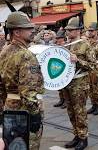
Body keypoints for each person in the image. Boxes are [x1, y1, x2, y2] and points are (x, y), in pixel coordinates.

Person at [0, 11, 45, 150]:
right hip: (25, 112)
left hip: (9, 108)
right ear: (17, 32)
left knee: (14, 145)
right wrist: (35, 115)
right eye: (28, 28)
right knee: (29, 145)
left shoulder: (4, 51)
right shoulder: (26, 55)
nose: (32, 31)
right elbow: (28, 92)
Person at [63, 17, 96, 150]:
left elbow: (93, 65)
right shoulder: (67, 44)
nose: (68, 32)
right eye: (67, 30)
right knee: (71, 111)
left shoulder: (85, 44)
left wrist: (78, 61)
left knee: (79, 111)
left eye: (70, 30)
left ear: (77, 31)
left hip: (80, 83)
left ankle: (83, 138)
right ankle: (76, 135)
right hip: (67, 83)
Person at [53, 30, 68, 109]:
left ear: (64, 38)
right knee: (60, 86)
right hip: (58, 66)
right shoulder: (57, 44)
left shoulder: (67, 45)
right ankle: (61, 99)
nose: (58, 40)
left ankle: (66, 101)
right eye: (57, 38)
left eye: (60, 38)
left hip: (65, 67)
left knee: (64, 86)